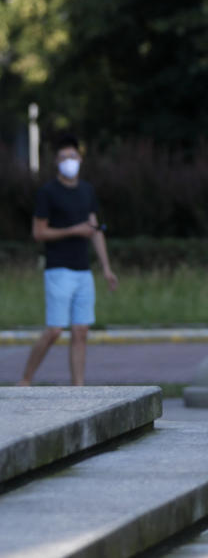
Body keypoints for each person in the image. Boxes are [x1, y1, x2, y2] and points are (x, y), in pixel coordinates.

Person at [18, 135, 118, 387]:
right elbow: (39, 233)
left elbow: (95, 230)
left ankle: (78, 387)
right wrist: (74, 230)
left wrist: (106, 268)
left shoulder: (87, 191)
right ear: (56, 161)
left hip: (83, 271)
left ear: (80, 159)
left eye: (72, 157)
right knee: (54, 330)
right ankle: (26, 379)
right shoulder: (47, 192)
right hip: (58, 269)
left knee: (81, 331)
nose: (68, 162)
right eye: (63, 158)